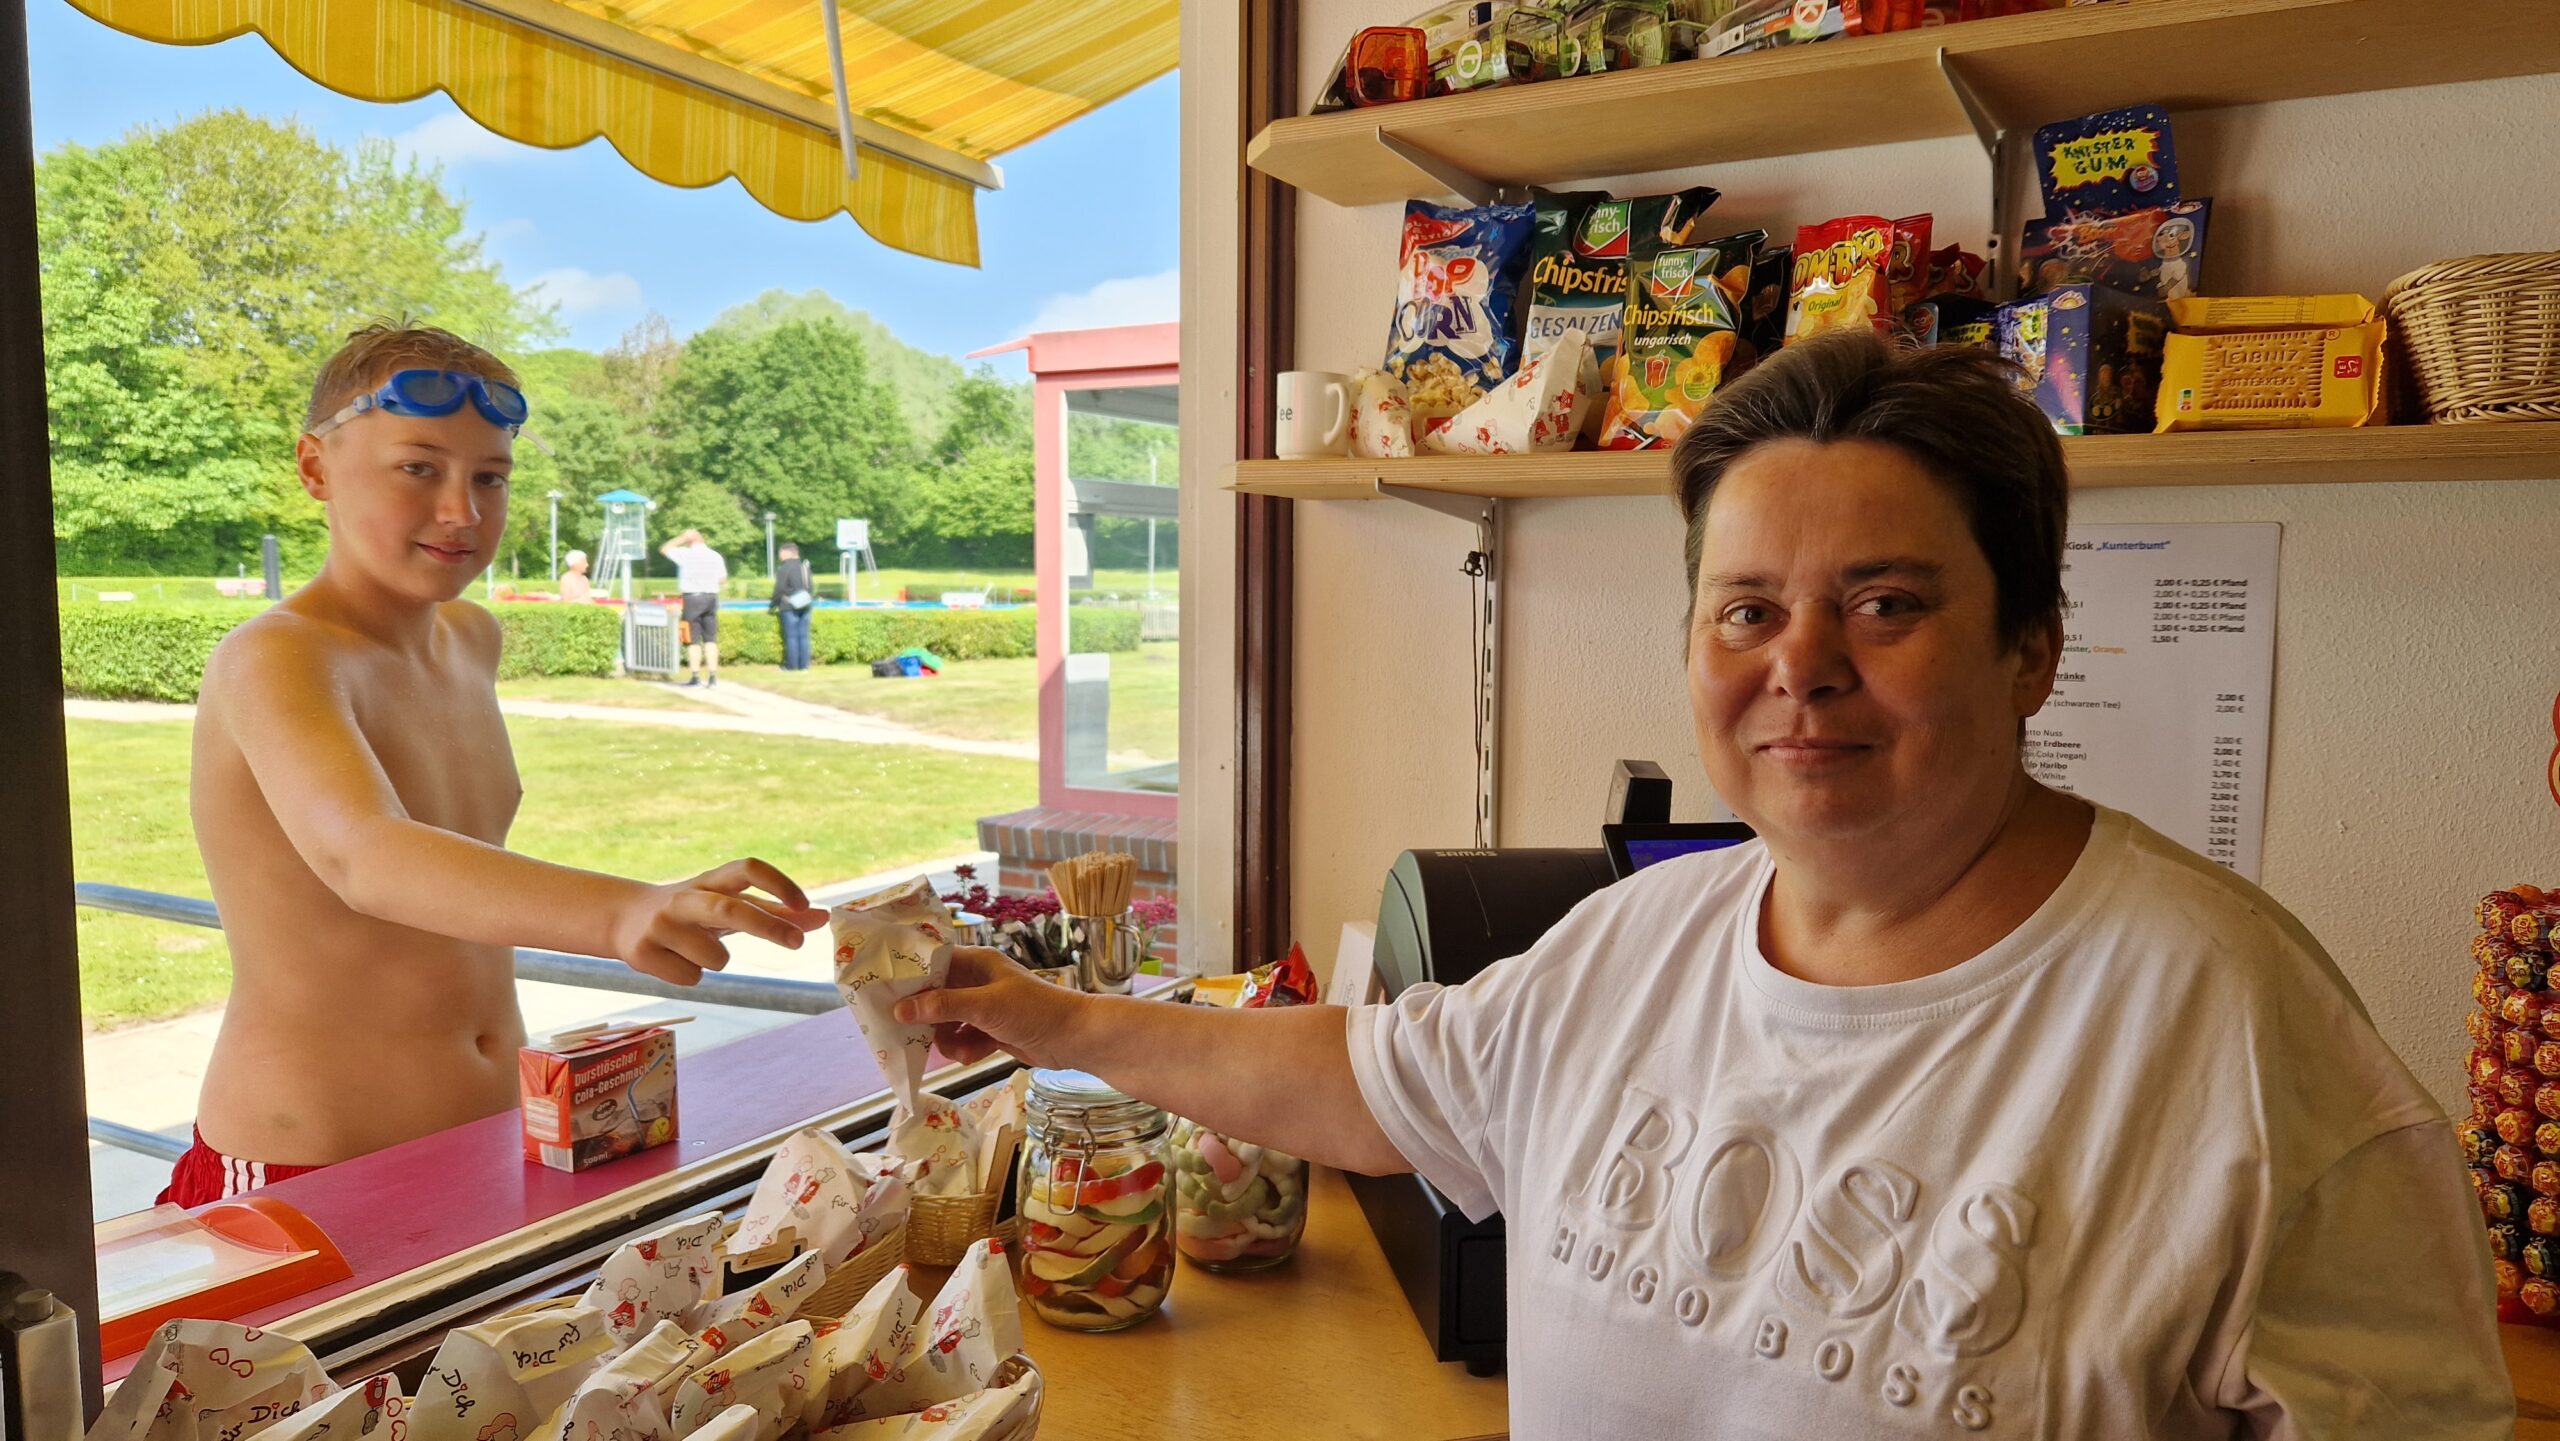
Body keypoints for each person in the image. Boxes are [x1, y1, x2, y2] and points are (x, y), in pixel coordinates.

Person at [896, 335, 2511, 1436]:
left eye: (1884, 604)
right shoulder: (1634, 940)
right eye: (1746, 611)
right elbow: (1369, 1084)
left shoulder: (2234, 1032)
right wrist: (1043, 1015)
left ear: (2033, 651)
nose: (1799, 670)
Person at [168, 325, 826, 1207]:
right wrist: (622, 909)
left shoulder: (472, 639)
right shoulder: (276, 654)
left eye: (490, 477)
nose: (462, 512)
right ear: (316, 468)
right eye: (419, 468)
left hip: (489, 1142)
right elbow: (364, 854)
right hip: (308, 1169)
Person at [662, 528, 727, 686]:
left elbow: (664, 549)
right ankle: (712, 677)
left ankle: (696, 676)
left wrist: (681, 538)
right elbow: (723, 579)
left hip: (692, 598)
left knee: (693, 640)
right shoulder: (715, 555)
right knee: (711, 639)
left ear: (688, 541)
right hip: (711, 597)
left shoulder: (685, 554)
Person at [770, 541, 815, 672]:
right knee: (803, 636)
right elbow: (810, 587)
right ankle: (804, 666)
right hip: (805, 605)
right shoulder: (804, 567)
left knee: (791, 637)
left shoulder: (784, 568)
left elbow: (779, 589)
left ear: (786, 553)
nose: (779, 556)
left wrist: (772, 605)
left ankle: (791, 665)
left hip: (789, 606)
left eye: (780, 553)